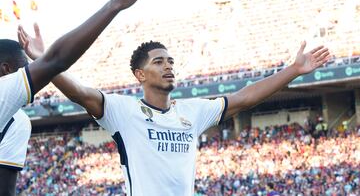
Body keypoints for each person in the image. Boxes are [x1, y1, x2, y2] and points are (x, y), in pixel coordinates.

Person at [20, 25, 330, 195]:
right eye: (159, 62)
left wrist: (293, 69)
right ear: (140, 75)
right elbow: (80, 92)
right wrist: (45, 62)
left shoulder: (192, 112)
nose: (168, 66)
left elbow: (245, 98)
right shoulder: (123, 112)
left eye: (171, 62)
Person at [0, 0, 143, 195]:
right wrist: (115, 4)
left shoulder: (15, 120)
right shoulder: (10, 107)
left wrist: (43, 60)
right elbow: (56, 60)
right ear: (6, 70)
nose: (34, 73)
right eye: (25, 68)